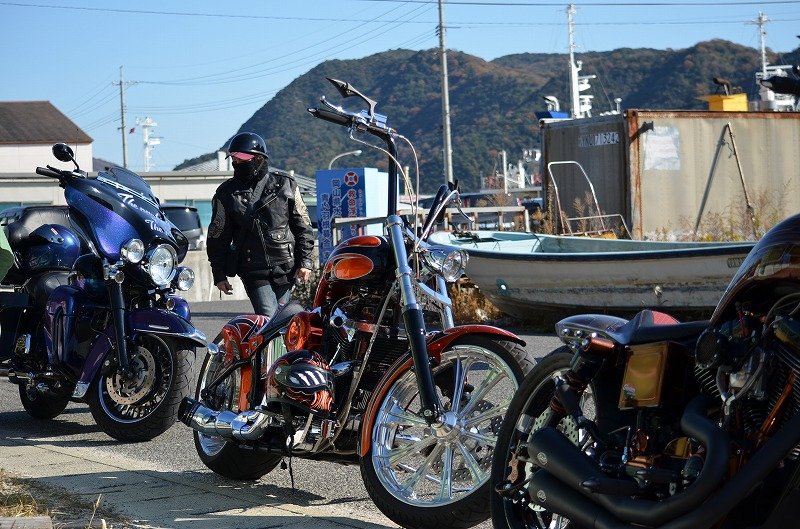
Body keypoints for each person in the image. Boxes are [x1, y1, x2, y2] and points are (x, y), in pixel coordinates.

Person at [207, 132, 314, 317]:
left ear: (258, 159)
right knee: (267, 315)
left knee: (283, 318)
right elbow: (217, 236)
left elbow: (303, 226)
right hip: (251, 267)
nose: (236, 163)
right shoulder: (225, 193)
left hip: (285, 265)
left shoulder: (286, 184)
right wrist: (219, 274)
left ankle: (278, 338)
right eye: (234, 159)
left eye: (242, 159)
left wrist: (305, 262)